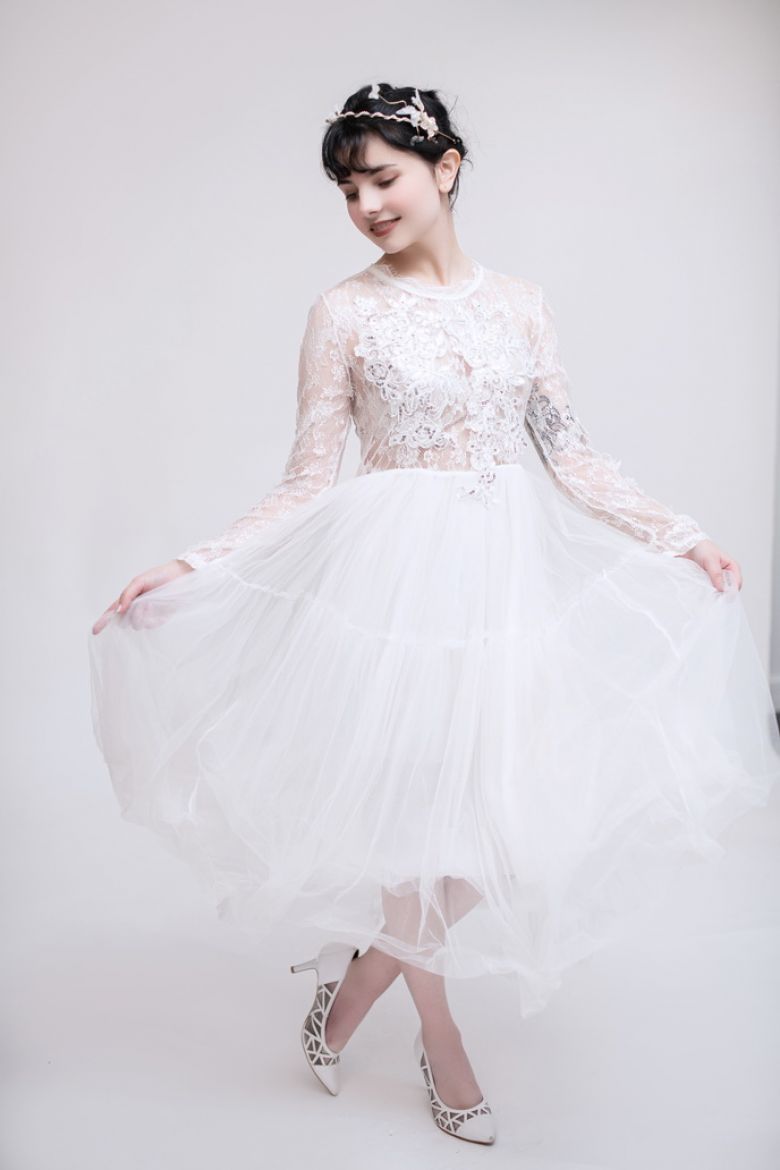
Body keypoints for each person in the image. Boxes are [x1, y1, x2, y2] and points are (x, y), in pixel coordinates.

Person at [88, 81, 780, 1146]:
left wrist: (678, 535)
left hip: (504, 584)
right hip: (393, 591)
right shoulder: (343, 312)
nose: (366, 205)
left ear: (445, 168)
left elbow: (570, 452)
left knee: (508, 821)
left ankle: (360, 977)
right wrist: (192, 562)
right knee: (416, 827)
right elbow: (308, 480)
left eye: (383, 178)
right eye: (347, 189)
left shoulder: (523, 304)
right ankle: (442, 1041)